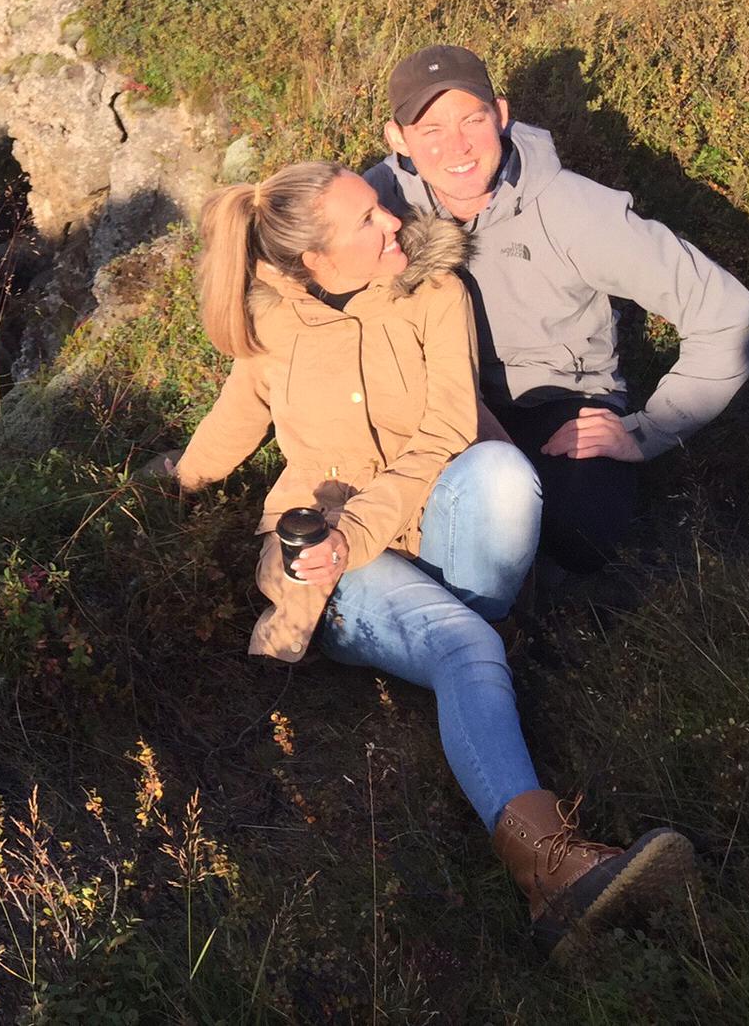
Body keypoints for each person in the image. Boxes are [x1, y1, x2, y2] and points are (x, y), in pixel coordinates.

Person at [147, 161, 694, 955]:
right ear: (313, 260)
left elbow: (446, 433)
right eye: (367, 222)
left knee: (500, 470)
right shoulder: (271, 324)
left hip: (429, 525)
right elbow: (235, 420)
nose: (393, 223)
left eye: (382, 208)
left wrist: (363, 526)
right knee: (467, 643)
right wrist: (170, 484)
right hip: (333, 560)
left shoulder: (436, 291)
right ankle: (550, 869)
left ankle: (461, 658)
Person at [366, 46, 749, 575]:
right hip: (428, 398)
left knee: (582, 529)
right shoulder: (373, 206)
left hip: (555, 399)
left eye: (472, 119)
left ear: (501, 115)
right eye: (431, 129)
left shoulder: (574, 209)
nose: (457, 146)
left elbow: (732, 317)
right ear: (398, 139)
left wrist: (647, 431)